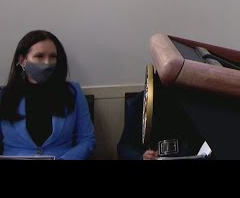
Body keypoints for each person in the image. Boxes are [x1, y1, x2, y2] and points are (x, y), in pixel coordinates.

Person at [0, 30, 96, 159]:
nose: (47, 62)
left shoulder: (73, 92)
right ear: (22, 61)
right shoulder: (3, 96)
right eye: (39, 56)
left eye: (52, 56)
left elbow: (87, 140)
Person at [117, 89, 206, 160]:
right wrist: (141, 157)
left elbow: (201, 145)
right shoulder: (140, 101)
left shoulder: (191, 101)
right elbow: (123, 148)